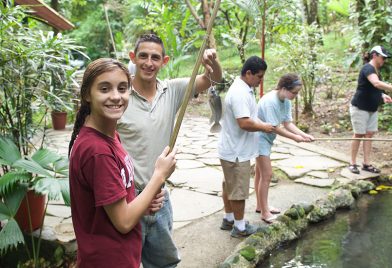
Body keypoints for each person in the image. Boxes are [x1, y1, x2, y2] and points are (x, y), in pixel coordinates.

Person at [117, 33, 222, 267]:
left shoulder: (172, 90)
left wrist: (211, 62)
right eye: (142, 56)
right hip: (127, 199)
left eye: (155, 57)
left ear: (164, 61)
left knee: (165, 264)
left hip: (160, 197)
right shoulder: (119, 96)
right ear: (132, 57)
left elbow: (211, 81)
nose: (148, 63)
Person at [68, 58, 177, 267]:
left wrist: (142, 205)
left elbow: (116, 205)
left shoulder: (110, 134)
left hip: (120, 255)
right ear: (86, 94)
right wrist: (159, 175)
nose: (116, 96)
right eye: (105, 88)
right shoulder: (97, 151)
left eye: (122, 88)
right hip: (109, 260)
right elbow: (124, 221)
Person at [218, 56, 274, 238]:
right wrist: (264, 126)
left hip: (231, 148)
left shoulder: (243, 88)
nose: (260, 81)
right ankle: (240, 228)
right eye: (259, 77)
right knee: (238, 191)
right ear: (248, 73)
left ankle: (228, 219)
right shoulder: (240, 93)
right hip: (236, 152)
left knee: (229, 186)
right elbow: (244, 122)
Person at [255, 73, 314, 224]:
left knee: (260, 173)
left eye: (297, 93)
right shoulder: (271, 102)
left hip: (267, 137)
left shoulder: (286, 100)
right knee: (267, 175)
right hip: (258, 137)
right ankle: (264, 212)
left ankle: (260, 205)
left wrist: (304, 135)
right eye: (293, 92)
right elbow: (274, 127)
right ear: (283, 88)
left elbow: (287, 123)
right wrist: (295, 138)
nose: (295, 96)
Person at [349, 45, 392, 174]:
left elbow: (373, 88)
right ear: (374, 56)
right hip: (360, 108)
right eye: (382, 57)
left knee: (369, 135)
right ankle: (352, 163)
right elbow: (376, 83)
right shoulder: (368, 68)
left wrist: (382, 95)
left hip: (372, 109)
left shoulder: (376, 70)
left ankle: (366, 164)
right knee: (358, 135)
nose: (384, 60)